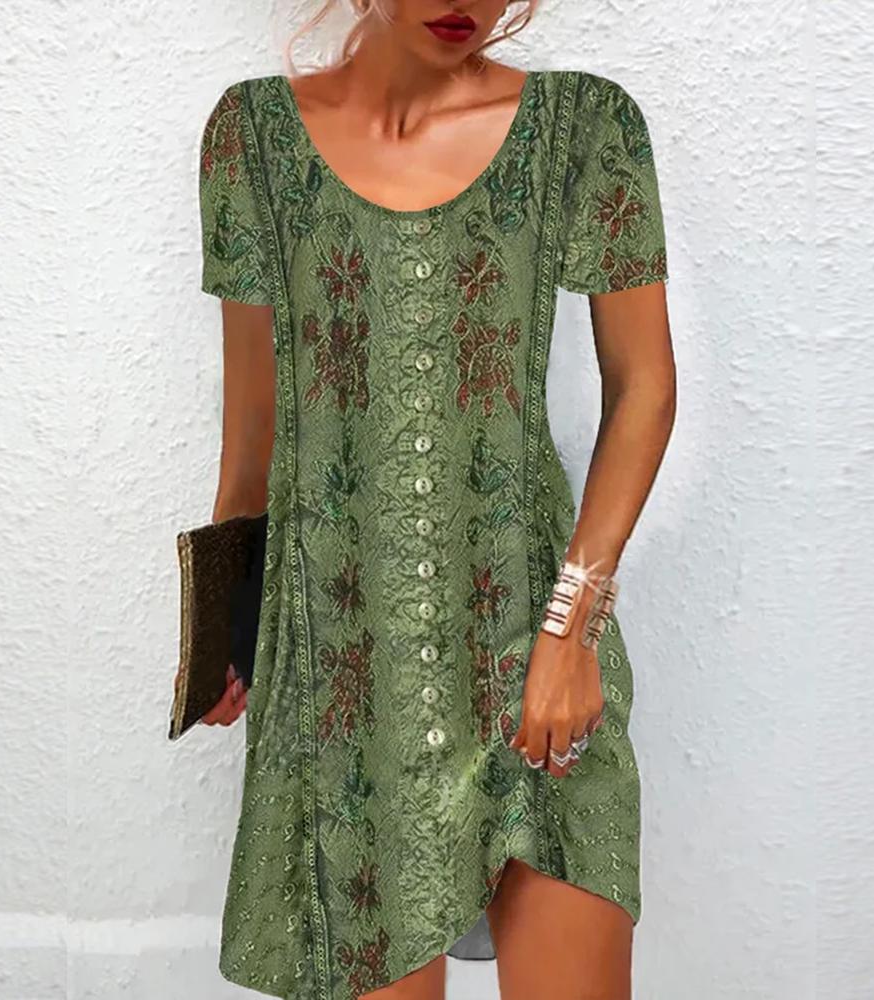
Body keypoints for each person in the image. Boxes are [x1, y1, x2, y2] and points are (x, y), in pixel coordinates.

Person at [190, 2, 675, 997]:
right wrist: (222, 622)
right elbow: (257, 424)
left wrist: (571, 625)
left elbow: (645, 387)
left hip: (535, 650)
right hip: (346, 680)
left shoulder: (585, 129)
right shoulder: (253, 140)